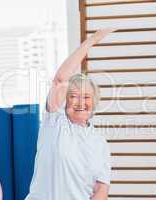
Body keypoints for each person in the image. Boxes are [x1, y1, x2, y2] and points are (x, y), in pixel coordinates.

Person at [25, 29, 116, 200]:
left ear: (94, 101)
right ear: (65, 101)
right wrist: (91, 42)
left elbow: (101, 189)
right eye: (73, 96)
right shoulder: (55, 122)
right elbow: (60, 80)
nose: (80, 102)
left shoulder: (99, 141)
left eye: (86, 97)